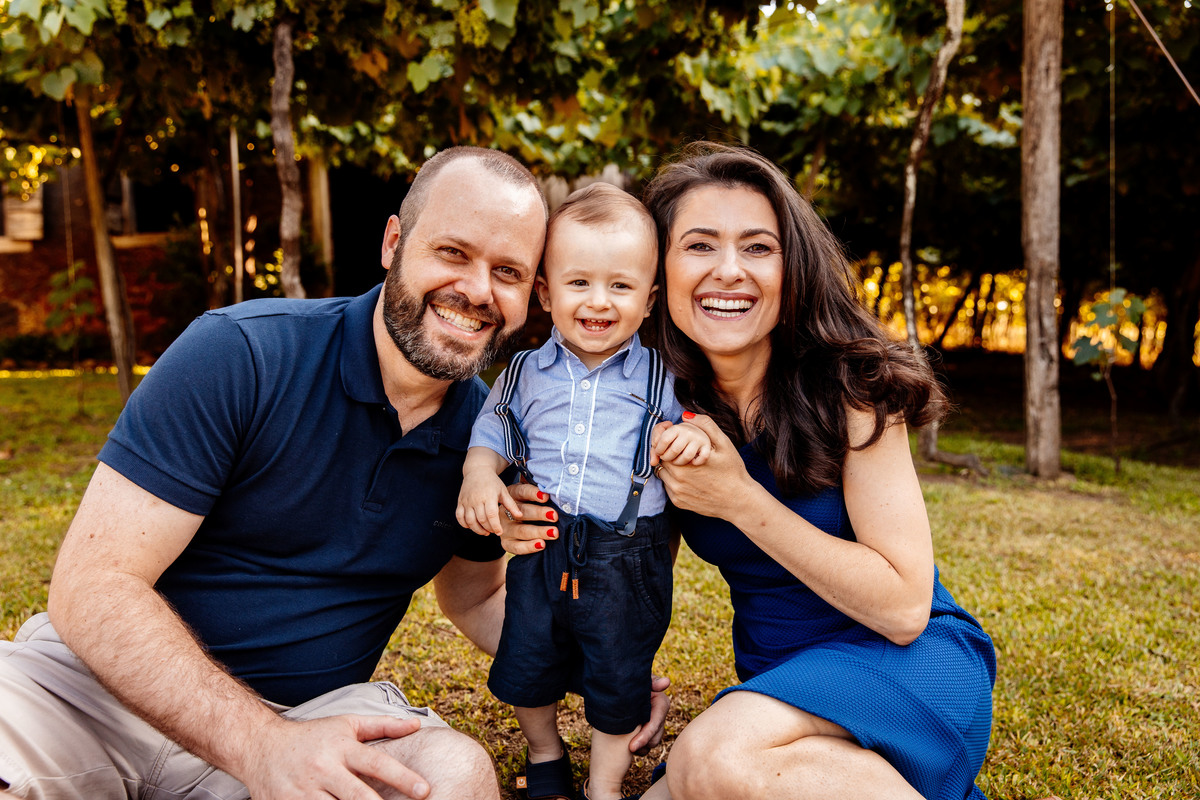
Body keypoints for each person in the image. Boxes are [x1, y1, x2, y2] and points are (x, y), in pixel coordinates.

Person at [0, 146, 665, 800]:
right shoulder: (241, 355)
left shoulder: (489, 441)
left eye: (509, 272)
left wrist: (608, 670)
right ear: (393, 244)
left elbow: (475, 596)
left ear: (532, 296)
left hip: (308, 720)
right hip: (86, 696)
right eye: (452, 253)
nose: (476, 290)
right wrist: (258, 743)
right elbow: (95, 585)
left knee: (453, 779)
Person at [501, 141, 997, 800]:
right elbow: (624, 563)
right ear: (658, 273)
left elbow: (904, 607)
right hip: (778, 686)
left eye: (758, 247)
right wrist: (617, 664)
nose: (728, 270)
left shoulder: (853, 385)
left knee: (712, 756)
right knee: (693, 777)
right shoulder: (655, 406)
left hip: (908, 665)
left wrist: (740, 501)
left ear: (791, 268)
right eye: (700, 246)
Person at [456, 183, 709, 800]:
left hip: (629, 555)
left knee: (619, 675)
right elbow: (493, 429)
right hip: (544, 548)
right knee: (527, 660)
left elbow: (696, 428)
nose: (599, 302)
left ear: (649, 301)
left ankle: (603, 785)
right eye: (579, 283)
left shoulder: (663, 377)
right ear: (545, 292)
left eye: (620, 286)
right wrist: (479, 473)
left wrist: (694, 440)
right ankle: (545, 754)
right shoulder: (524, 373)